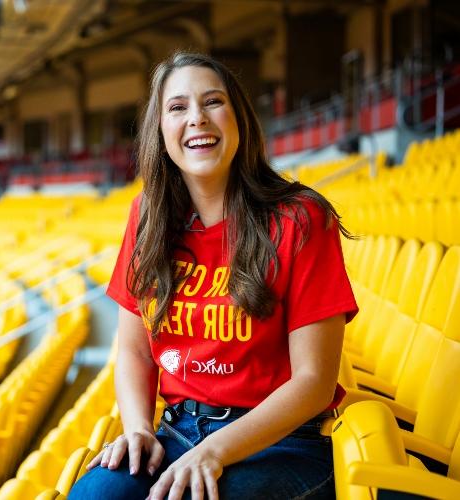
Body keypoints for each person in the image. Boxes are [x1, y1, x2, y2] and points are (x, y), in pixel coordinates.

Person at [69, 51, 358, 500]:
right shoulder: (147, 216)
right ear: (160, 130)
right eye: (178, 107)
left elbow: (314, 382)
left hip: (281, 440)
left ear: (238, 118)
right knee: (93, 496)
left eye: (213, 102)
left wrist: (215, 451)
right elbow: (134, 351)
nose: (197, 119)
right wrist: (139, 428)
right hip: (179, 428)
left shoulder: (300, 218)